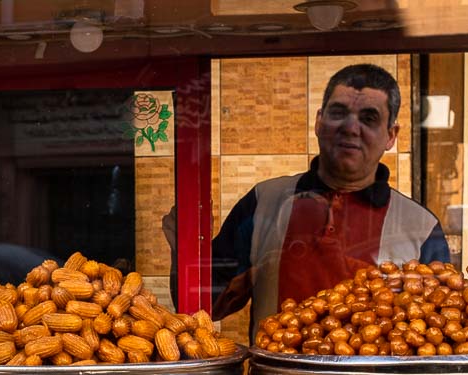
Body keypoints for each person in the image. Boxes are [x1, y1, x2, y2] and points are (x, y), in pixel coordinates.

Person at [166, 63, 450, 336]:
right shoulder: (263, 202)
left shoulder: (421, 228)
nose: (351, 128)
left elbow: (439, 332)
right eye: (338, 112)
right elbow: (204, 309)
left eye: (369, 118)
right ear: (318, 121)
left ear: (391, 135)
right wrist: (188, 249)